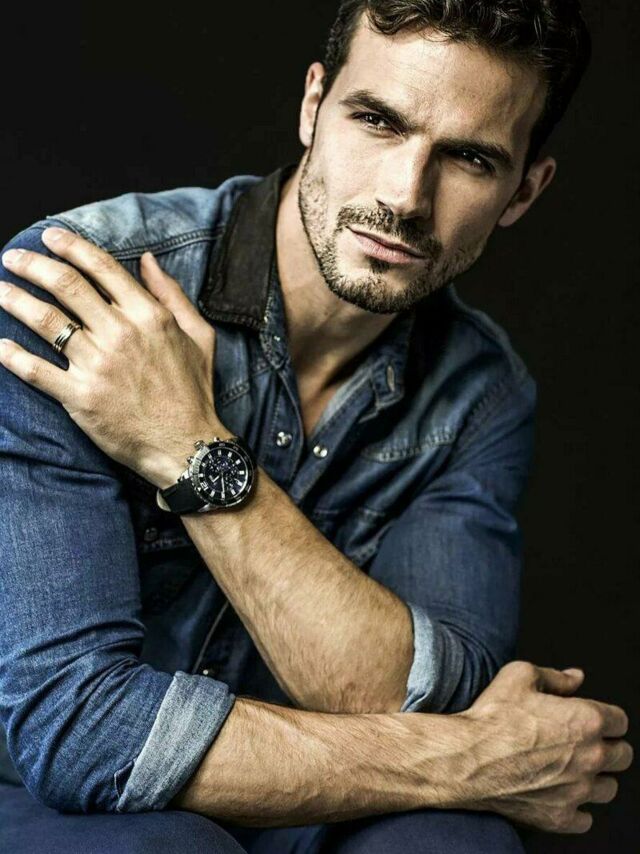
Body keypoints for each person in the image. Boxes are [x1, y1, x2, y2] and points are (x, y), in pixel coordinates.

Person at [0, 1, 633, 852]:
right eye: (377, 121)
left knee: (453, 844)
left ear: (524, 190)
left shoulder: (481, 394)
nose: (405, 197)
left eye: (470, 159)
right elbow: (78, 731)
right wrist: (476, 761)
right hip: (32, 794)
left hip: (311, 795)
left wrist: (193, 451)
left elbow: (422, 695)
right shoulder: (83, 293)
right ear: (312, 106)